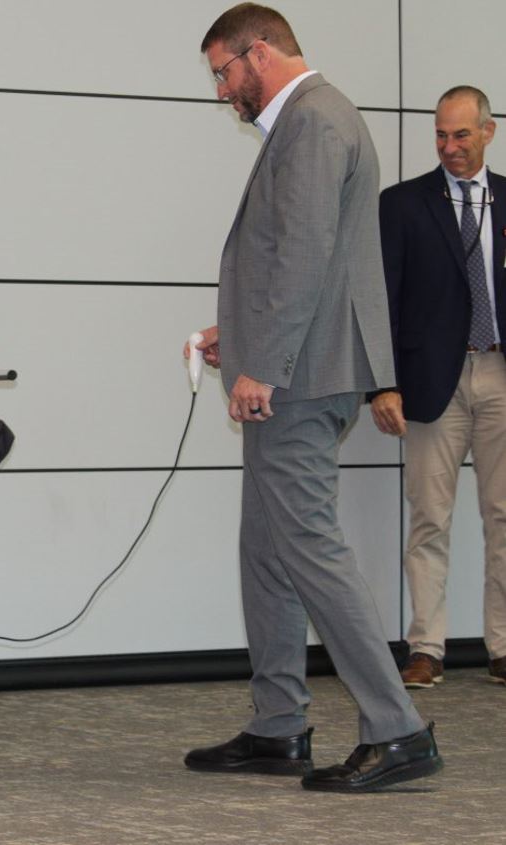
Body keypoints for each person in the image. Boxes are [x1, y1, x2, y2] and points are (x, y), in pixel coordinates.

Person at [182, 3, 442, 791]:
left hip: (302, 378)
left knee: (311, 548)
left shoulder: (316, 120)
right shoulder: (307, 123)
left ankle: (398, 729)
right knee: (266, 549)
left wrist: (268, 361)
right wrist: (245, 339)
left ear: (259, 53)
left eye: (223, 72)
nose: (222, 90)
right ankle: (278, 725)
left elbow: (302, 250)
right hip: (296, 366)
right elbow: (305, 260)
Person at [372, 85, 506, 689]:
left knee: (504, 516)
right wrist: (383, 385)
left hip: (500, 373)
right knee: (430, 517)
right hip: (431, 383)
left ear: (488, 132)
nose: (450, 147)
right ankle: (426, 647)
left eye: (461, 135)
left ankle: (503, 648)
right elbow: (382, 303)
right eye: (441, 135)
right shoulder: (402, 204)